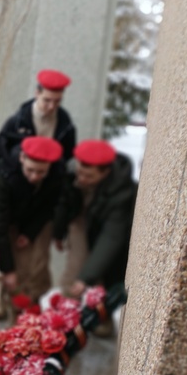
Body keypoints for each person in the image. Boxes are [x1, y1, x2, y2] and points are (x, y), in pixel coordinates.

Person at [0, 136, 63, 332]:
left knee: (25, 268)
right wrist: (7, 269)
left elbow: (47, 209)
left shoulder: (57, 176)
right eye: (30, 170)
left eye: (41, 172)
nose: (34, 176)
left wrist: (29, 234)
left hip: (25, 221)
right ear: (22, 158)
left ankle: (17, 321)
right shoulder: (3, 176)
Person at [53, 140, 137, 335]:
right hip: (80, 219)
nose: (81, 179)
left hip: (107, 229)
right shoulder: (70, 170)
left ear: (105, 173)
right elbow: (63, 203)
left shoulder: (123, 191)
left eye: (88, 176)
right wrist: (59, 232)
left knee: (105, 272)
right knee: (74, 271)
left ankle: (102, 316)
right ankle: (63, 319)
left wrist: (86, 277)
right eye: (79, 172)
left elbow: (111, 236)